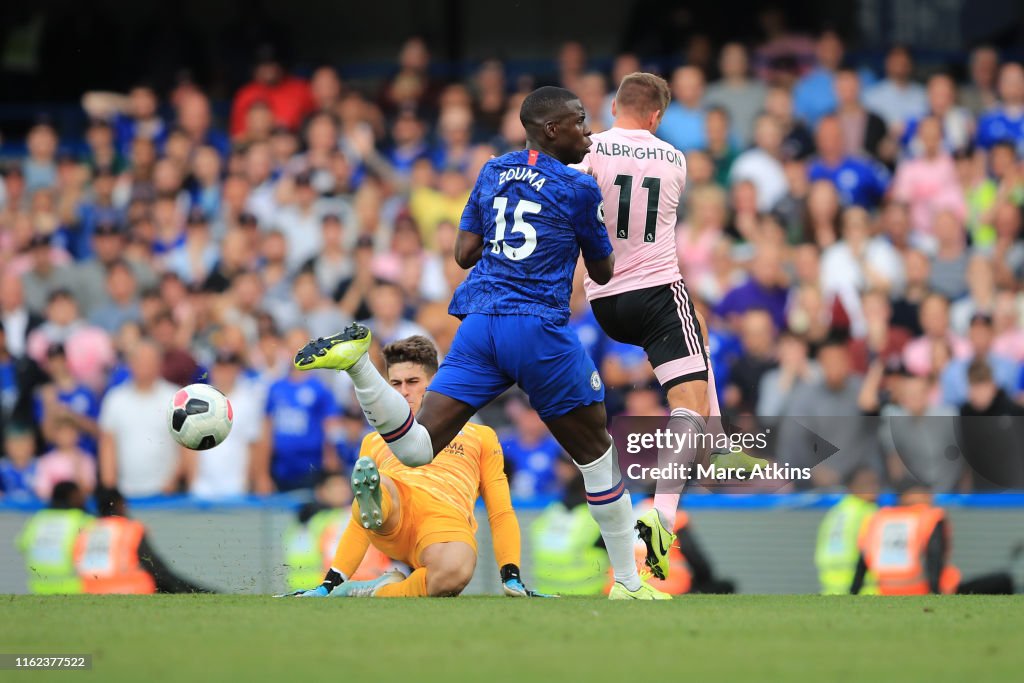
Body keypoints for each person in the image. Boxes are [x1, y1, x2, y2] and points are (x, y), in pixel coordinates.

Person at [293, 87, 667, 599]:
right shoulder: (579, 189)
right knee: (598, 454)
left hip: (480, 323)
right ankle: (628, 583)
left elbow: (464, 252)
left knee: (418, 448)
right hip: (536, 327)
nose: (589, 131)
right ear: (552, 130)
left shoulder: (492, 171)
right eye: (580, 122)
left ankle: (360, 367)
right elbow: (601, 269)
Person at [575, 72, 767, 581]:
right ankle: (663, 514)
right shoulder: (676, 160)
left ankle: (721, 440)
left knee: (697, 331)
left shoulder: (590, 148)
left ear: (615, 106)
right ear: (657, 116)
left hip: (605, 301)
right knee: (688, 402)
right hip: (658, 294)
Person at [284, 336, 538, 598]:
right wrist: (330, 583)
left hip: (444, 525)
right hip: (393, 512)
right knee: (379, 486)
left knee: (455, 572)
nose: (403, 391)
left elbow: (500, 510)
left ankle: (380, 591)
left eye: (412, 382)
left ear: (435, 385)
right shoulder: (374, 440)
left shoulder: (479, 436)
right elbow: (360, 519)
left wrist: (511, 574)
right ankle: (378, 498)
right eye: (395, 383)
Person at [852, 484, 1014, 595]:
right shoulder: (928, 517)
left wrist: (853, 592)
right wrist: (936, 594)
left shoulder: (879, 518)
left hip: (886, 592)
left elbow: (862, 561)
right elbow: (934, 557)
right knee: (1002, 580)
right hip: (927, 590)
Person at [74, 488, 213, 594]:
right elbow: (159, 573)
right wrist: (199, 591)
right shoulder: (129, 528)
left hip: (89, 590)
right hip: (127, 589)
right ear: (120, 505)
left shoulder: (87, 529)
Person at [282, 471, 390, 592]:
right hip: (326, 586)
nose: (342, 490)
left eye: (344, 486)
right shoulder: (321, 522)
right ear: (320, 492)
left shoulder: (309, 521)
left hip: (323, 587)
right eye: (335, 487)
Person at [16, 481, 92, 594]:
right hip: (73, 587)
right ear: (73, 496)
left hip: (38, 587)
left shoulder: (39, 518)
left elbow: (22, 545)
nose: (84, 498)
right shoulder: (82, 520)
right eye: (80, 495)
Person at [815, 467, 880, 595]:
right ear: (852, 487)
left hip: (831, 588)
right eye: (867, 484)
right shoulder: (868, 512)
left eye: (875, 483)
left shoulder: (836, 512)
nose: (874, 488)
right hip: (862, 589)